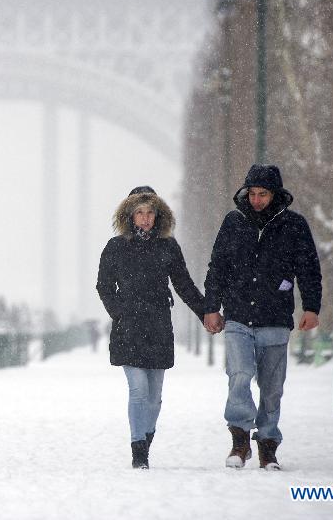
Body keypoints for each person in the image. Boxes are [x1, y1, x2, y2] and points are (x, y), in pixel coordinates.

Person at [203, 164, 322, 471]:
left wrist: (311, 306)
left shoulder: (294, 225)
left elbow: (308, 268)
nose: (256, 200)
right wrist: (211, 306)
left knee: (272, 387)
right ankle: (240, 440)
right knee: (239, 375)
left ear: (275, 194)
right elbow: (217, 266)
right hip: (239, 315)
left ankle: (268, 445)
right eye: (252, 193)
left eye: (263, 194)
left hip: (275, 317)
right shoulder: (234, 222)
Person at [96, 189, 205, 469]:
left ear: (158, 216)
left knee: (155, 398)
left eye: (150, 212)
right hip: (128, 328)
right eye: (140, 212)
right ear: (130, 215)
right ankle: (138, 450)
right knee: (139, 391)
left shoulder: (168, 247)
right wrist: (119, 312)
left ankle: (146, 438)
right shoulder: (115, 247)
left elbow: (184, 285)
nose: (145, 219)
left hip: (158, 326)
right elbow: (104, 286)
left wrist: (206, 312)